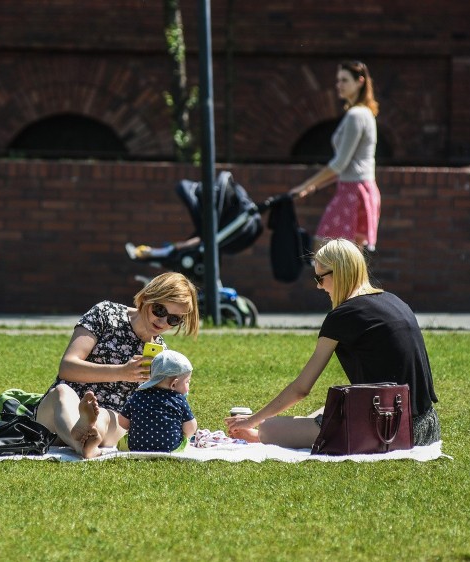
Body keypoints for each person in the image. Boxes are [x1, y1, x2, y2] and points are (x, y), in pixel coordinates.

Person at [224, 238, 440, 448]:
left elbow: (301, 388)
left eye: (320, 278)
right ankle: (288, 431)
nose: (319, 287)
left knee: (269, 429)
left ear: (339, 273)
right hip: (426, 425)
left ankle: (261, 435)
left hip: (390, 430)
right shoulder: (394, 300)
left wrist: (254, 420)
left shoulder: (343, 316)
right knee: (330, 408)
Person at [35, 272, 199, 458]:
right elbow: (67, 367)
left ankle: (86, 437)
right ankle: (80, 441)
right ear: (146, 297)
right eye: (159, 310)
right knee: (62, 392)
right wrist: (122, 372)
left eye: (174, 319)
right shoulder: (106, 314)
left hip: (107, 421)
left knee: (107, 417)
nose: (163, 322)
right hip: (57, 417)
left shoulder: (161, 354)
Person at [288, 60, 381, 252]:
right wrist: (314, 187)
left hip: (354, 191)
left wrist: (305, 185)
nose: (339, 85)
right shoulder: (361, 114)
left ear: (360, 82)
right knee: (347, 257)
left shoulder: (357, 115)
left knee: (327, 249)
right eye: (338, 80)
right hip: (355, 188)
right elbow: (345, 167)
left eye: (344, 80)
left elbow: (340, 164)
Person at [118, 349, 198, 452]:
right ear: (174, 384)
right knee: (186, 442)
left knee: (122, 441)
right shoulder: (179, 400)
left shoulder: (138, 395)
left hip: (136, 447)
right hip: (170, 448)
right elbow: (191, 428)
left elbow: (122, 421)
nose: (188, 387)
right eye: (187, 382)